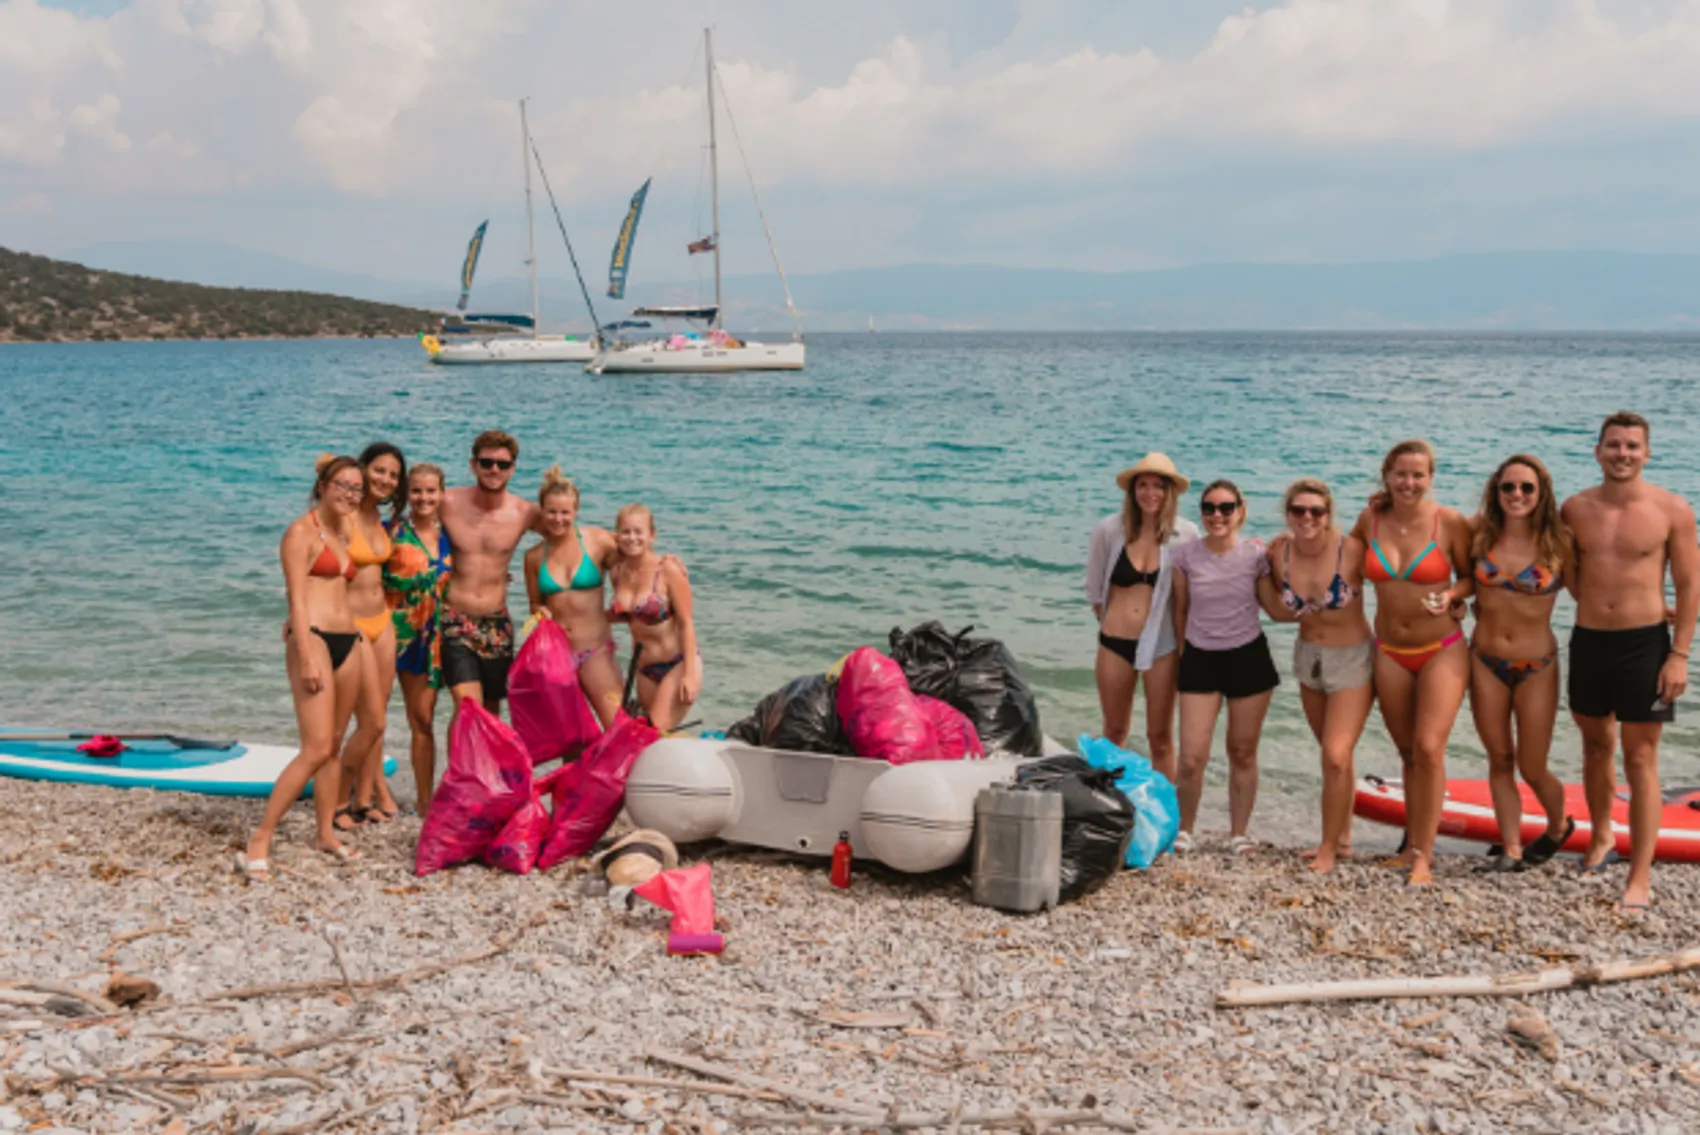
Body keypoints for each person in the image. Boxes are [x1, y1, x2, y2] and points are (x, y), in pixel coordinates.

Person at [1562, 412, 1698, 913]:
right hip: (1589, 641)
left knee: (1640, 758)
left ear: (1646, 452)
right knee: (1596, 746)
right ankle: (1601, 837)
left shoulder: (1671, 509)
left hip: (1646, 646)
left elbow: (1688, 586)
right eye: (1614, 445)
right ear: (1597, 451)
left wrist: (1678, 654)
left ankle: (1640, 876)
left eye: (1632, 446)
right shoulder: (1574, 509)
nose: (1623, 454)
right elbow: (1568, 573)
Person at [1349, 439, 1474, 886]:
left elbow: (1472, 577)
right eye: (1401, 474)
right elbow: (1338, 557)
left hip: (1441, 648)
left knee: (1428, 748)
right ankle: (1409, 846)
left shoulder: (1450, 523)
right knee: (1406, 753)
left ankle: (1425, 854)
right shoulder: (1370, 519)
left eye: (1418, 474)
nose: (1409, 482)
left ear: (1431, 477)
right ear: (1386, 476)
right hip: (1389, 650)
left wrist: (1453, 596)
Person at [241, 457, 370, 880]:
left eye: (357, 488)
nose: (350, 494)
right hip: (312, 639)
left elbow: (337, 586)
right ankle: (260, 837)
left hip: (347, 641)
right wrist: (307, 652)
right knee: (315, 747)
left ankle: (324, 835)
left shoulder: (345, 528)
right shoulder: (300, 533)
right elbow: (297, 597)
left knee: (333, 743)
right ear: (321, 485)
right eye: (342, 486)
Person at [1468, 454, 1575, 873]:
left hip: (1538, 664)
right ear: (1496, 491)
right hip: (1484, 660)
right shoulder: (1479, 534)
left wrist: (1654, 608)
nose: (1517, 495)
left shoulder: (1559, 542)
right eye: (1508, 487)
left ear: (1541, 493)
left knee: (1532, 764)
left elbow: (1593, 589)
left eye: (1526, 488)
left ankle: (1558, 824)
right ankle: (1511, 847)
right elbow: (1436, 544)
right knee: (1499, 759)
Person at [1170, 480, 1284, 854]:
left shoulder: (1256, 555)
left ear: (1240, 511)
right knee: (1190, 757)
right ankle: (1184, 830)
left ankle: (1238, 834)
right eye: (1209, 508)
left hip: (1248, 656)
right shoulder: (1186, 555)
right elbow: (1180, 610)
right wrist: (1184, 656)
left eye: (1226, 507)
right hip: (1200, 658)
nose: (1217, 515)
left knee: (1243, 751)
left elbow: (1275, 606)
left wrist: (1317, 606)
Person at [1266, 479, 1374, 874]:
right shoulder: (1280, 554)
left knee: (1335, 754)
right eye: (1299, 511)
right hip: (1308, 657)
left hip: (1352, 659)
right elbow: (1269, 600)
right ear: (1288, 514)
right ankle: (1343, 838)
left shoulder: (1352, 550)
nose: (1307, 518)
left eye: (1316, 511)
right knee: (1334, 757)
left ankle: (1327, 849)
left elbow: (1399, 581)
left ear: (1329, 514)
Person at [1084, 453, 1199, 781]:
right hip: (1114, 643)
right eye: (1143, 485)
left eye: (1158, 486)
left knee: (1160, 738)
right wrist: (1113, 625)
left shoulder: (1186, 535)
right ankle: (1109, 809)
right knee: (1114, 731)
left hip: (1161, 646)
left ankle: (1168, 815)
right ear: (1133, 491)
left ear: (1170, 492)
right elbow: (1095, 591)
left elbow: (1204, 577)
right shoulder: (1109, 530)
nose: (1150, 493)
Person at [438, 431, 541, 715]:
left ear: (513, 468)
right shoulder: (447, 502)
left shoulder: (525, 512)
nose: (494, 469)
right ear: (473, 465)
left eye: (502, 464)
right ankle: (461, 762)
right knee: (468, 706)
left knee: (491, 709)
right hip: (454, 618)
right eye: (486, 463)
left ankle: (486, 762)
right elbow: (410, 531)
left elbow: (565, 535)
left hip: (497, 621)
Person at [522, 468, 626, 728]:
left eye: (565, 512)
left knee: (617, 725)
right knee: (572, 738)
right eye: (552, 512)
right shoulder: (534, 557)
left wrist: (667, 565)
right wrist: (538, 611)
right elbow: (535, 603)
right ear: (542, 511)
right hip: (557, 658)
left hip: (595, 651)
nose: (558, 519)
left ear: (576, 511)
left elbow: (636, 562)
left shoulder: (598, 542)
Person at [338, 442, 404, 825]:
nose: (385, 480)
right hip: (351, 625)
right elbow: (313, 562)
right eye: (378, 470)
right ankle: (335, 802)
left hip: (383, 622)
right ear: (362, 469)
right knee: (351, 720)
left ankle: (365, 797)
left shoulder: (381, 522)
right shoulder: (340, 516)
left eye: (393, 475)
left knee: (377, 717)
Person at [383, 462, 452, 815]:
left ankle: (426, 803)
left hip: (429, 640)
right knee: (372, 719)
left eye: (431, 490)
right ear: (406, 494)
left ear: (442, 493)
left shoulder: (450, 536)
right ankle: (373, 795)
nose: (424, 498)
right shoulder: (390, 531)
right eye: (417, 491)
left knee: (422, 719)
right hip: (385, 633)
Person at [609, 503, 701, 731]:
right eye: (626, 531)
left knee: (654, 731)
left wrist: (689, 674)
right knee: (646, 736)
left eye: (638, 531)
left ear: (652, 535)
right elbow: (630, 617)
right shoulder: (618, 572)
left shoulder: (667, 570)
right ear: (617, 535)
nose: (632, 538)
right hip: (644, 671)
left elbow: (686, 622)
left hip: (677, 664)